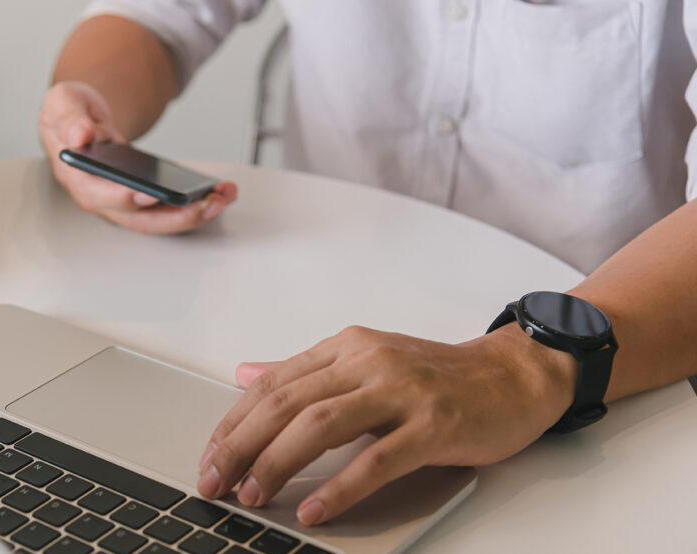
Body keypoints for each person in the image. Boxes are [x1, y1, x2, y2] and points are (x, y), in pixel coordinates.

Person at [38, 2, 697, 526]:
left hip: (606, 370)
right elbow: (154, 15)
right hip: (307, 342)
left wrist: (523, 365)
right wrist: (84, 106)